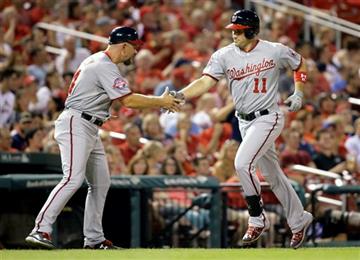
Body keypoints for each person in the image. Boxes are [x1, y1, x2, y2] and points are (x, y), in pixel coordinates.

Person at [25, 26, 182, 250]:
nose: (135, 53)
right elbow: (128, 101)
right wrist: (161, 101)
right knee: (72, 178)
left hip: (89, 124)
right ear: (124, 45)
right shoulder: (104, 64)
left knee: (101, 182)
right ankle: (40, 229)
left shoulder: (98, 60)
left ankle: (94, 239)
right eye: (134, 48)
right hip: (76, 122)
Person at [173, 10, 313, 249]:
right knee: (272, 175)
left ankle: (257, 218)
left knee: (241, 164)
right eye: (233, 30)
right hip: (244, 121)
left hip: (268, 117)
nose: (234, 34)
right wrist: (182, 95)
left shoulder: (273, 50)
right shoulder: (224, 55)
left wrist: (299, 92)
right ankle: (300, 219)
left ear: (251, 30)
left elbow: (300, 63)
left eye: (238, 31)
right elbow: (205, 82)